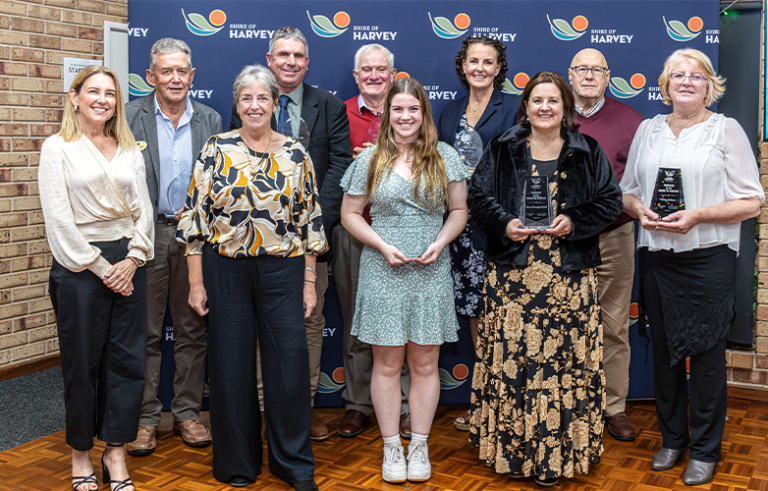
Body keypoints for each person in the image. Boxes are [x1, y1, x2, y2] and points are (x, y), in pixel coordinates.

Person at [468, 71, 623, 486]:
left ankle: (558, 455)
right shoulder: (502, 148)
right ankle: (514, 453)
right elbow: (477, 198)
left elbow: (611, 202)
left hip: (568, 277)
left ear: (565, 108)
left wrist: (573, 221)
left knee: (563, 363)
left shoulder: (587, 150)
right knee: (517, 360)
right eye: (537, 100)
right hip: (513, 274)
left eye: (553, 101)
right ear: (525, 105)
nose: (545, 108)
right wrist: (505, 223)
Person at [176, 64, 325, 491]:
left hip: (284, 271)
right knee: (230, 367)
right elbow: (195, 222)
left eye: (263, 98)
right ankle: (237, 463)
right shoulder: (215, 148)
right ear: (237, 105)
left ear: (276, 104)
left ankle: (292, 463)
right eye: (247, 98)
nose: (255, 105)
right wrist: (198, 282)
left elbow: (310, 222)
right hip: (225, 272)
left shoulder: (296, 153)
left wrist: (309, 282)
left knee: (289, 367)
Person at [621, 49, 763, 486]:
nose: (686, 81)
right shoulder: (647, 130)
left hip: (708, 260)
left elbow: (752, 200)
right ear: (664, 85)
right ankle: (672, 439)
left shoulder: (727, 130)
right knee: (663, 356)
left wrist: (698, 215)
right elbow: (627, 192)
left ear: (709, 85)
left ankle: (704, 448)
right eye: (677, 75)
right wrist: (638, 210)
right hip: (657, 258)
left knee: (704, 359)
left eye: (696, 76)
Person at [340, 78, 470, 483]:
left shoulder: (445, 156)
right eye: (398, 109)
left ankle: (419, 445)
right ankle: (391, 446)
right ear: (388, 114)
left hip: (430, 268)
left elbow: (459, 210)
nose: (406, 116)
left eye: (413, 109)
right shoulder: (370, 159)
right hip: (384, 269)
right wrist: (380, 244)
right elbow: (349, 214)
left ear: (423, 113)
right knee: (387, 363)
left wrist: (440, 242)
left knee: (426, 362)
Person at [229, 27, 352, 441]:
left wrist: (314, 223)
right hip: (258, 244)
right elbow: (237, 169)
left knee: (309, 321)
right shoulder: (248, 103)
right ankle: (266, 411)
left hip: (310, 242)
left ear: (307, 61)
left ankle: (303, 407)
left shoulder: (329, 106)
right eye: (283, 54)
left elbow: (339, 169)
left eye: (298, 55)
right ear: (269, 59)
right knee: (263, 326)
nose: (290, 62)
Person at [39, 65, 154, 491]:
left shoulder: (128, 146)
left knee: (126, 363)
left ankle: (116, 452)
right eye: (93, 91)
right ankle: (81, 453)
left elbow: (143, 206)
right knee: (81, 364)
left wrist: (135, 257)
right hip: (80, 267)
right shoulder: (57, 147)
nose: (102, 99)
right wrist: (105, 268)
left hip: (130, 263)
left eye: (110, 93)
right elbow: (59, 221)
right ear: (75, 97)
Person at [125, 37, 222, 456]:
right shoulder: (128, 117)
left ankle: (186, 412)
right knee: (143, 331)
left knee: (192, 328)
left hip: (195, 236)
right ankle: (145, 419)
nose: (175, 78)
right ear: (151, 76)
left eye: (182, 71)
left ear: (192, 75)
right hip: (147, 234)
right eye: (167, 71)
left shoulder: (212, 120)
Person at [437, 34, 518, 433]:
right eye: (473, 61)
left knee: (507, 320)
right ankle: (484, 407)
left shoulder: (516, 108)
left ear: (499, 68)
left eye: (488, 62)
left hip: (503, 229)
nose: (480, 68)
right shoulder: (449, 113)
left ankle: (509, 409)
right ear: (463, 65)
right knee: (477, 321)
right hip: (462, 232)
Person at [567, 48, 644, 442]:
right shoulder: (551, 113)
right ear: (571, 74)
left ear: (608, 75)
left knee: (613, 326)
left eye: (597, 69)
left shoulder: (631, 120)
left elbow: (644, 179)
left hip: (614, 235)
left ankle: (613, 407)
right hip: (562, 240)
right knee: (564, 326)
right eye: (582, 69)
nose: (589, 75)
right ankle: (570, 407)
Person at [336, 43, 412, 440]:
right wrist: (359, 161)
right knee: (356, 323)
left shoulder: (408, 111)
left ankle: (402, 406)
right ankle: (357, 403)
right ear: (356, 75)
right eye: (366, 70)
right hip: (356, 230)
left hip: (404, 235)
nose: (374, 75)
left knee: (400, 327)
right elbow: (331, 169)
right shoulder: (340, 112)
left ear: (393, 72)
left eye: (381, 69)